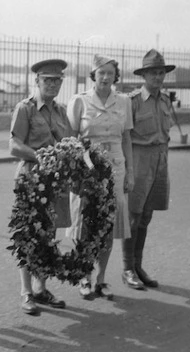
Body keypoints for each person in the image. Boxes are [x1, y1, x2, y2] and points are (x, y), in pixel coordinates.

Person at [66, 55, 134, 299]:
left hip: (116, 166)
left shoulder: (124, 102)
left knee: (108, 225)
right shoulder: (79, 101)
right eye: (100, 73)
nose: (105, 77)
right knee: (85, 224)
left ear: (116, 76)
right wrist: (76, 171)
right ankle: (84, 275)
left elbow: (126, 139)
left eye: (110, 73)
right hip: (87, 166)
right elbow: (71, 139)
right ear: (93, 76)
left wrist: (130, 173)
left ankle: (102, 279)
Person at [9, 59, 73, 314]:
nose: (53, 84)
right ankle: (26, 293)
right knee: (28, 236)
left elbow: (67, 143)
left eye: (57, 80)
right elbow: (14, 146)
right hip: (31, 178)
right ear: (36, 81)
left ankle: (40, 288)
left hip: (54, 182)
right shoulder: (25, 109)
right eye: (48, 80)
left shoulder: (60, 111)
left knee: (48, 235)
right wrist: (41, 156)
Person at [123, 48, 176, 290]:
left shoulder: (165, 100)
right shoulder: (132, 101)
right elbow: (124, 136)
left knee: (146, 216)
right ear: (143, 76)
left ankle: (138, 265)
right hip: (139, 159)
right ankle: (127, 269)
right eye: (153, 73)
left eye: (161, 73)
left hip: (160, 160)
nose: (158, 77)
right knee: (133, 216)